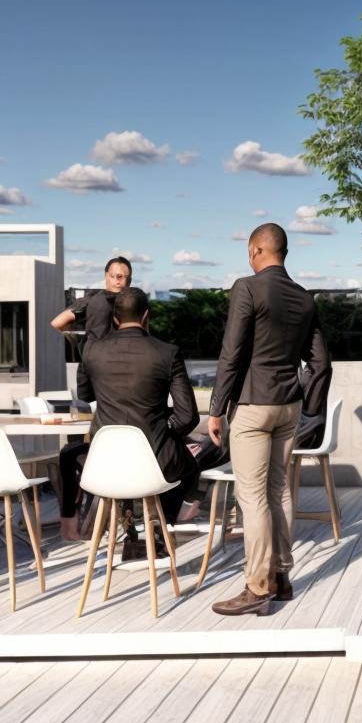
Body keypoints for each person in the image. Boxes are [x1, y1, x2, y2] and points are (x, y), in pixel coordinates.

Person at [206, 223, 329, 617]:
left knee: (253, 497)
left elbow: (232, 353)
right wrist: (311, 408)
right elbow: (322, 363)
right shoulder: (304, 298)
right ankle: (281, 577)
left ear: (256, 249)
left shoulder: (247, 287)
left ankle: (257, 587)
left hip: (253, 405)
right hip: (289, 406)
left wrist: (216, 408)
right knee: (279, 491)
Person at [79, 287, 203, 533]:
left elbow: (85, 396)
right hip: (155, 461)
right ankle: (162, 525)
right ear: (146, 317)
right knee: (190, 464)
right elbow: (188, 417)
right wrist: (165, 426)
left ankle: (133, 527)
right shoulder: (167, 353)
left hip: (104, 463)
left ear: (115, 319)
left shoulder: (91, 350)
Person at [50, 256, 133, 541]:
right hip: (119, 373)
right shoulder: (132, 303)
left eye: (121, 276)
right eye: (116, 275)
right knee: (105, 433)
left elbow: (57, 323)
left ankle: (80, 518)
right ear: (108, 276)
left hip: (92, 368)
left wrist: (80, 342)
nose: (118, 281)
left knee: (87, 437)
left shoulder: (90, 300)